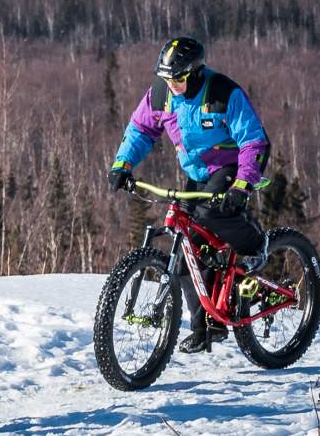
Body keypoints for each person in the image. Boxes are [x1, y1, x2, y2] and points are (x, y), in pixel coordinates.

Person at [107, 37, 271, 354]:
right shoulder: (161, 94)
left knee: (210, 214)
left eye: (178, 78)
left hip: (231, 166)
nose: (172, 84)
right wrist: (122, 164)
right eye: (167, 78)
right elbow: (141, 129)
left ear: (195, 73)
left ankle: (255, 245)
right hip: (197, 172)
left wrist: (242, 185)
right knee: (186, 252)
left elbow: (254, 140)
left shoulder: (223, 92)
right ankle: (206, 327)